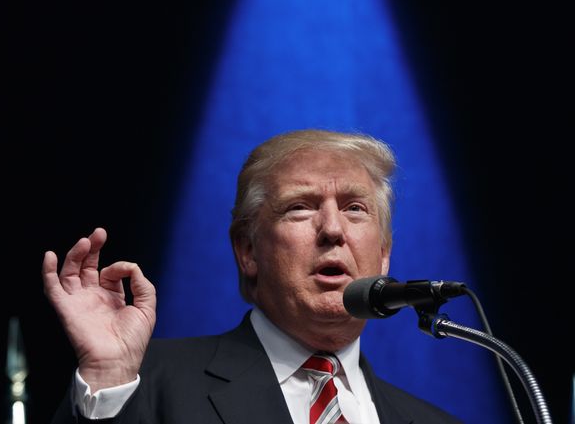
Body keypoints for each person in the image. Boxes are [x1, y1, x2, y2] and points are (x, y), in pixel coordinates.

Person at [43, 128, 463, 423]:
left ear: (384, 254)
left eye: (355, 208)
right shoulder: (148, 384)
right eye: (300, 207)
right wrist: (107, 377)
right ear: (247, 250)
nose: (333, 229)